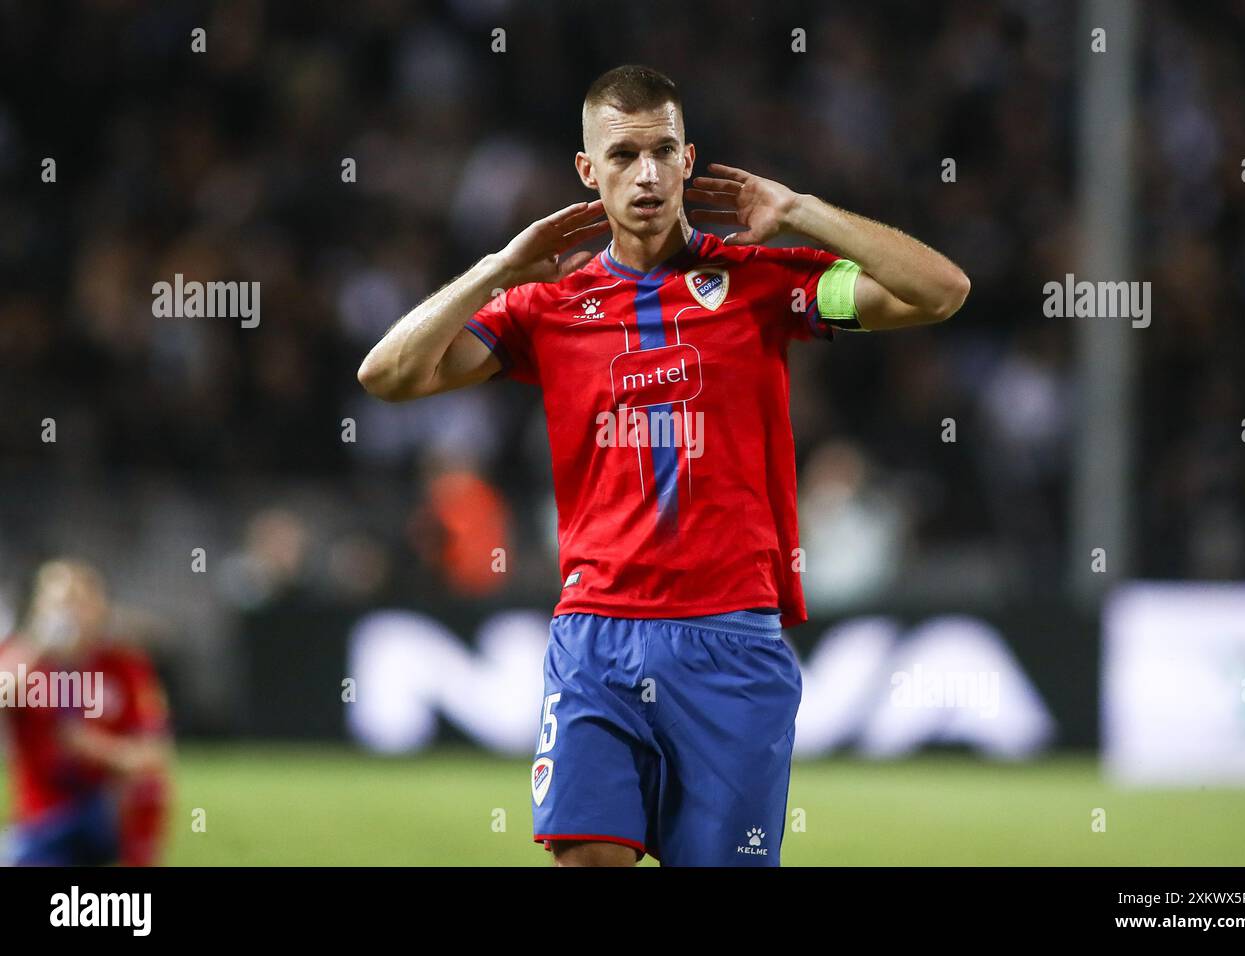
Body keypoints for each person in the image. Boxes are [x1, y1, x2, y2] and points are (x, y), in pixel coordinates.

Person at [358, 65, 969, 866]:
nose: (645, 174)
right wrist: (498, 268)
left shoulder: (760, 285)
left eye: (662, 151)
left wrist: (805, 214)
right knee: (588, 856)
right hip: (595, 636)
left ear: (689, 160)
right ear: (588, 171)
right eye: (622, 155)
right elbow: (387, 375)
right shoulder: (547, 308)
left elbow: (941, 292)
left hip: (731, 641)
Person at [0, 560, 171, 866]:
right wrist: (36, 646)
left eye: (81, 600)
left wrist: (96, 749)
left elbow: (153, 754)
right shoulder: (21, 661)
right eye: (61, 602)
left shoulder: (123, 666)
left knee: (149, 787)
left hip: (102, 811)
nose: (71, 613)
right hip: (43, 816)